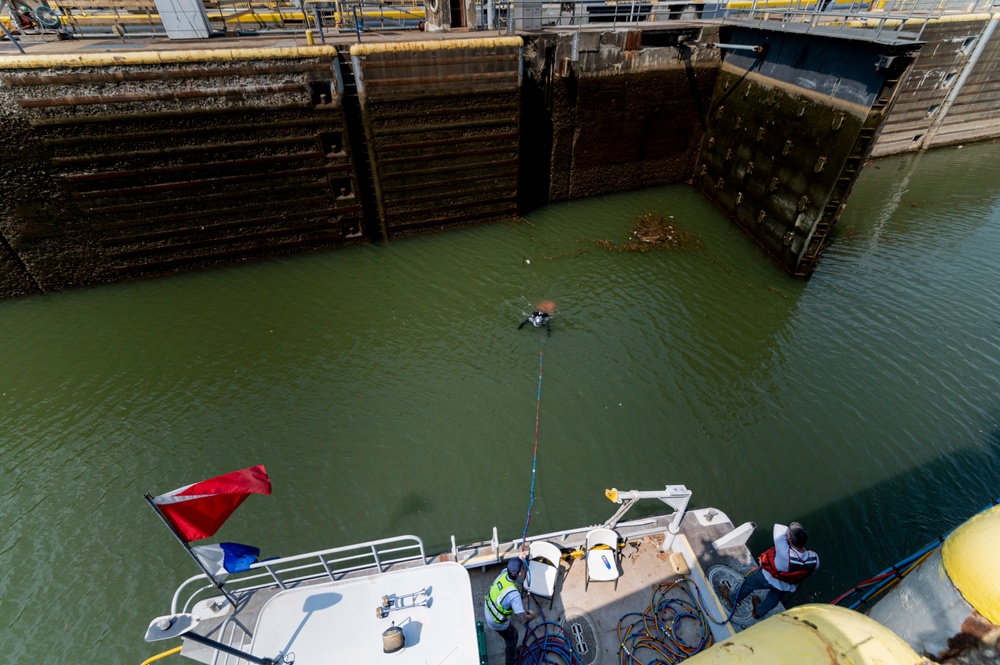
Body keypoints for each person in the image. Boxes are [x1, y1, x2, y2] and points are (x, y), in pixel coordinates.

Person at [722, 521, 819, 619]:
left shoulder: (784, 551)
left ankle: (732, 599)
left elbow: (779, 527)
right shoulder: (815, 558)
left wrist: (793, 530)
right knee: (774, 597)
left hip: (768, 578)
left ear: (789, 538)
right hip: (788, 585)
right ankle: (758, 612)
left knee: (748, 583)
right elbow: (811, 572)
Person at [483, 558, 536, 665]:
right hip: (496, 621)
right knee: (513, 636)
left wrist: (520, 559)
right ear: (520, 573)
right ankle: (511, 660)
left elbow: (514, 566)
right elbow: (522, 619)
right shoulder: (514, 594)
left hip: (488, 610)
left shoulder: (503, 573)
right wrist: (531, 615)